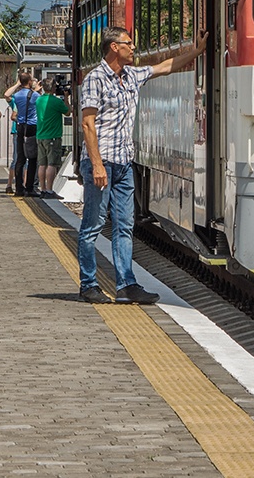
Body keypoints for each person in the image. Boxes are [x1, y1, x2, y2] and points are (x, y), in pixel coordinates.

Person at [77, 26, 207, 304]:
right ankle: (89, 284)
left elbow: (164, 67)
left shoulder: (131, 76)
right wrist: (97, 165)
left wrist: (195, 52)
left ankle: (126, 285)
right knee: (93, 225)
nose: (133, 47)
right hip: (101, 163)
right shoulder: (95, 79)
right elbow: (88, 124)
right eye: (128, 43)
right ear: (114, 47)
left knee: (124, 225)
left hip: (124, 162)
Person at [5, 73, 41, 197]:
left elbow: (7, 95)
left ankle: (19, 188)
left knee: (20, 158)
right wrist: (35, 90)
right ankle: (30, 187)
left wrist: (17, 84)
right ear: (30, 81)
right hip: (32, 126)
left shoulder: (17, 95)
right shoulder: (36, 96)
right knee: (32, 158)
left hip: (20, 126)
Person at [35, 76, 70, 199]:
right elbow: (68, 112)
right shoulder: (56, 102)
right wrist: (66, 97)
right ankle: (50, 190)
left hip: (40, 135)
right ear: (53, 87)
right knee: (52, 164)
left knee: (42, 164)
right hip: (53, 136)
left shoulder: (38, 100)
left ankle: (43, 189)